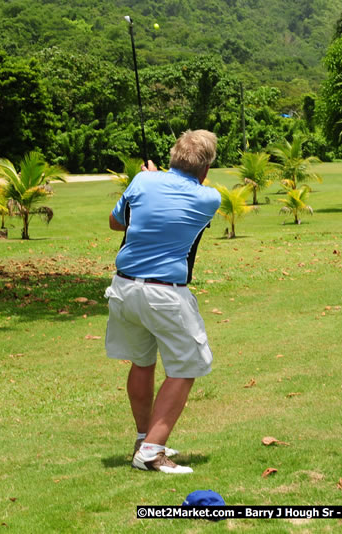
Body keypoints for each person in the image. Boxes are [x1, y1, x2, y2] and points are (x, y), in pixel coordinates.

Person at [104, 129, 221, 474]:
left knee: (142, 363)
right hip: (164, 294)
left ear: (173, 157)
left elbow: (115, 223)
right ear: (205, 169)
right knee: (189, 365)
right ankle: (152, 451)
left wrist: (147, 180)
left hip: (123, 289)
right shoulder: (208, 198)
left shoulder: (142, 182)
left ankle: (144, 438)